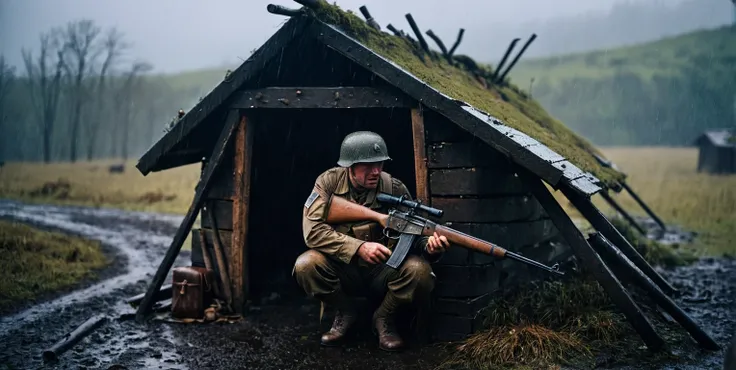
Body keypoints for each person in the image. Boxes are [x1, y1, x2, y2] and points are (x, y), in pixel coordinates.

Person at [292, 131, 450, 351]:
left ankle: (384, 318)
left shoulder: (394, 188)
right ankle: (345, 311)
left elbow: (416, 234)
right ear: (350, 166)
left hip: (383, 271)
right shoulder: (328, 183)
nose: (376, 171)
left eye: (380, 164)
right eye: (367, 166)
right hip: (342, 269)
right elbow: (313, 232)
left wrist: (431, 247)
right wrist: (359, 247)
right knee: (306, 265)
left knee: (420, 271)